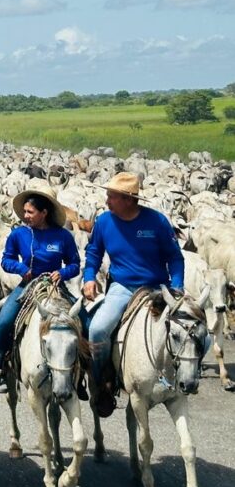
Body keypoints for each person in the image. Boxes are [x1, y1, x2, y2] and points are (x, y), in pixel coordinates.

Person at [82, 172, 184, 417]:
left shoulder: (157, 222)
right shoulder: (104, 222)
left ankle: (186, 376)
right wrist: (88, 279)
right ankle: (101, 380)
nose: (106, 201)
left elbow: (175, 257)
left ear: (128, 199)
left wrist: (177, 287)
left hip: (157, 287)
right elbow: (93, 254)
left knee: (189, 327)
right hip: (122, 287)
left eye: (111, 196)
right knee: (97, 329)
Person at [0, 185, 81, 393]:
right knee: (2, 323)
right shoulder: (19, 234)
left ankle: (82, 372)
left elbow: (74, 264)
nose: (25, 216)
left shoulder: (63, 236)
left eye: (30, 212)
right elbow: (6, 260)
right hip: (28, 285)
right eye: (24, 212)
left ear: (44, 213)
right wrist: (21, 268)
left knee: (84, 321)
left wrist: (63, 273)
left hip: (55, 287)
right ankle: (2, 369)